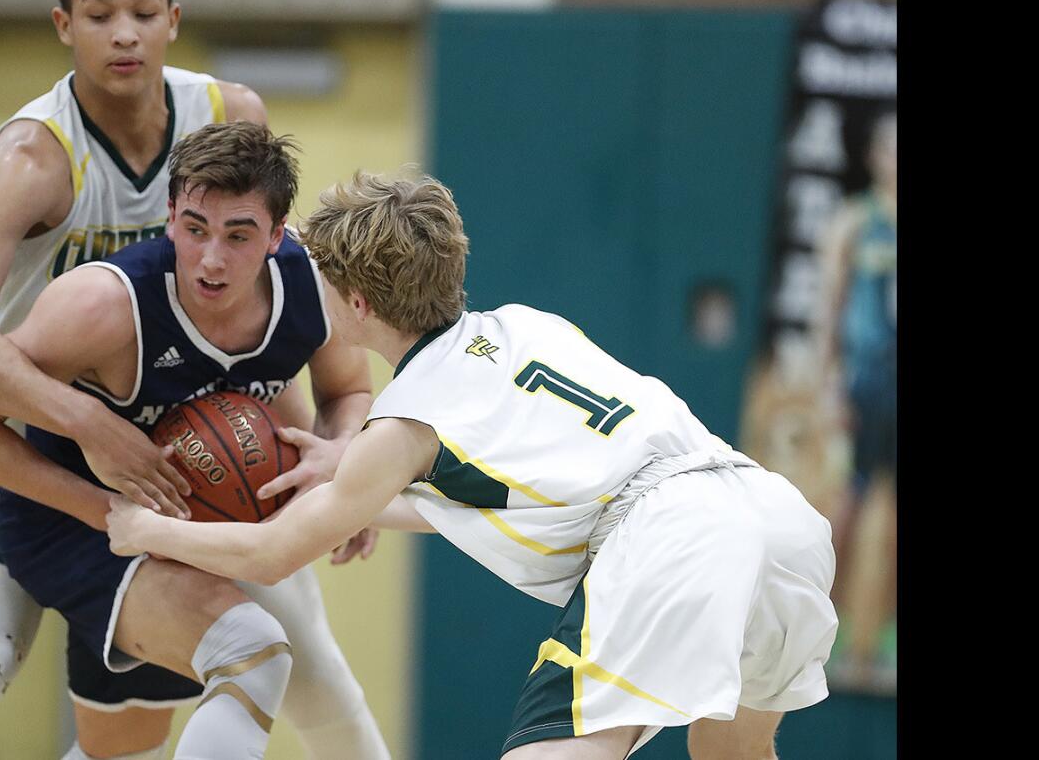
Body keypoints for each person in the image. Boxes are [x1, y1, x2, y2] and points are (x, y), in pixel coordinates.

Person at [106, 171, 840, 760]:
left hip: (673, 537)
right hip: (772, 515)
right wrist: (350, 472)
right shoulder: (527, 326)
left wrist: (144, 529)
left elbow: (272, 555)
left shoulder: (408, 423)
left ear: (356, 303)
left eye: (320, 278)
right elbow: (504, 489)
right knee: (734, 748)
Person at [0, 0, 388, 758]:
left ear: (174, 19)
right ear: (63, 25)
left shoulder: (228, 114)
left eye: (144, 11)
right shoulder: (35, 157)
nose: (124, 33)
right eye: (100, 11)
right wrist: (81, 420)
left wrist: (330, 464)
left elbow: (268, 315)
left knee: (285, 672)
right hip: (22, 424)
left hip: (183, 446)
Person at [0, 121, 377, 760]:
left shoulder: (312, 286)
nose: (212, 257)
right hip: (75, 523)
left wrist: (340, 463)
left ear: (278, 236)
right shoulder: (101, 307)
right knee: (253, 654)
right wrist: (112, 504)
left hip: (188, 528)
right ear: (169, 218)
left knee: (123, 749)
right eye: (195, 229)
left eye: (238, 234)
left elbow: (349, 391)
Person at [813, 111, 897, 690]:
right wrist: (829, 385)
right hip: (867, 386)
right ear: (874, 156)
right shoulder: (854, 222)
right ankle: (827, 636)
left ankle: (883, 640)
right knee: (850, 502)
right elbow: (829, 311)